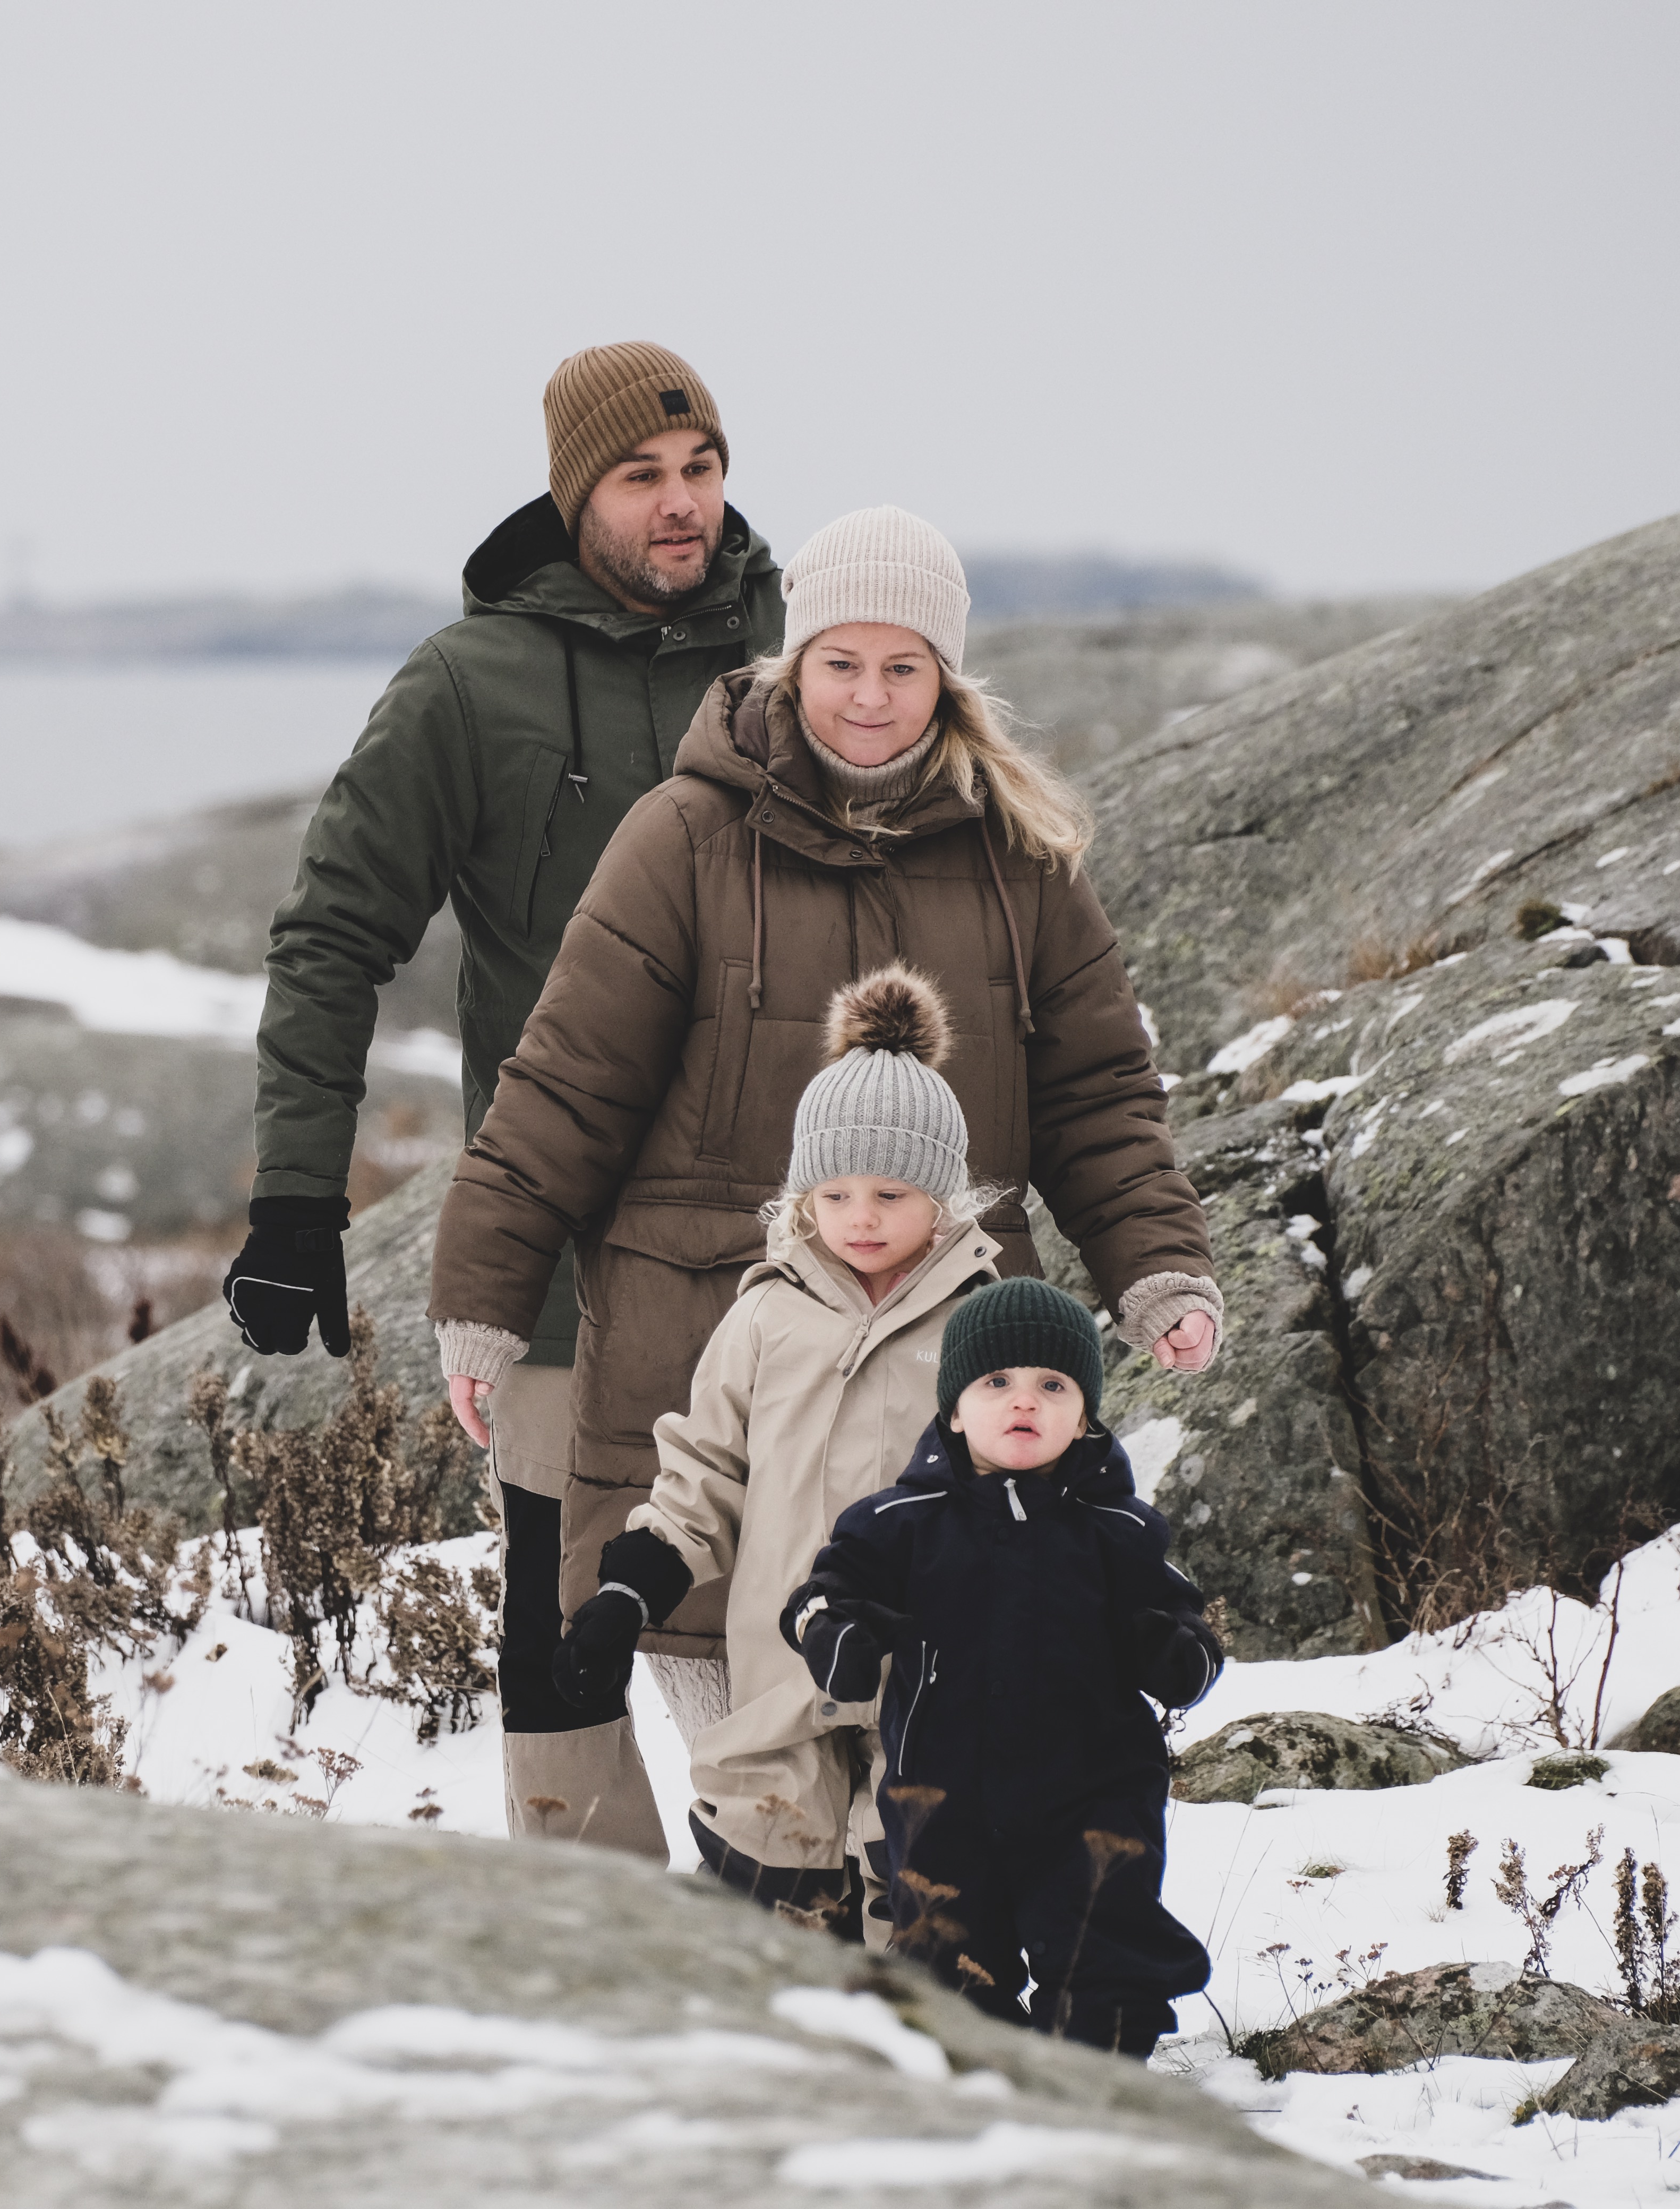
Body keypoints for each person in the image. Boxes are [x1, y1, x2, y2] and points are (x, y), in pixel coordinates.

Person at [427, 504, 1224, 1861]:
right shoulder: (684, 837)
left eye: (903, 666)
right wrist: (484, 1300)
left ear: (946, 678)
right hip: (710, 1355)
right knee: (767, 1804)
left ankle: (917, 1981)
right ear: (793, 662)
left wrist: (1156, 1268)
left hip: (950, 1374)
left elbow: (1098, 1096)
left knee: (941, 1808)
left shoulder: (1020, 861)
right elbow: (564, 1086)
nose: (869, 695)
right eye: (840, 662)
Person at [225, 343, 784, 1856]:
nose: (683, 505)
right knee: (560, 1608)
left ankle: (810, 1911)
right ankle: (591, 1937)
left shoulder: (796, 656)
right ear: (574, 494)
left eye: (702, 469)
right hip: (563, 1249)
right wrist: (297, 1200)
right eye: (642, 478)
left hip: (791, 1237)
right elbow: (332, 936)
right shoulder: (469, 687)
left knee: (796, 1592)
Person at [547, 963, 1008, 1937]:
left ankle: (922, 2028)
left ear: (943, 1197)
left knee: (922, 1893)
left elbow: (1031, 1485)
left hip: (930, 1674)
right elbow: (706, 1469)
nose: (861, 1217)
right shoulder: (766, 1316)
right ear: (805, 1196)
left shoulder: (983, 1323)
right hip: (782, 1672)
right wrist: (632, 1587)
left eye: (890, 1192)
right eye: (835, 1193)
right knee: (771, 1891)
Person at [784, 1276, 1224, 2053]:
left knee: (1105, 1952)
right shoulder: (899, 1522)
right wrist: (837, 1637)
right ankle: (981, 2087)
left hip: (1095, 1797)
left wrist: (1179, 1653)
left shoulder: (1119, 1530)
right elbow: (821, 1595)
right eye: (996, 1382)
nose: (1025, 1400)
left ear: (1084, 1415)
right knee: (950, 1969)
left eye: (1053, 1385)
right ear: (954, 1410)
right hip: (942, 1797)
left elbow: (1185, 1619)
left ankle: (1093, 2085)